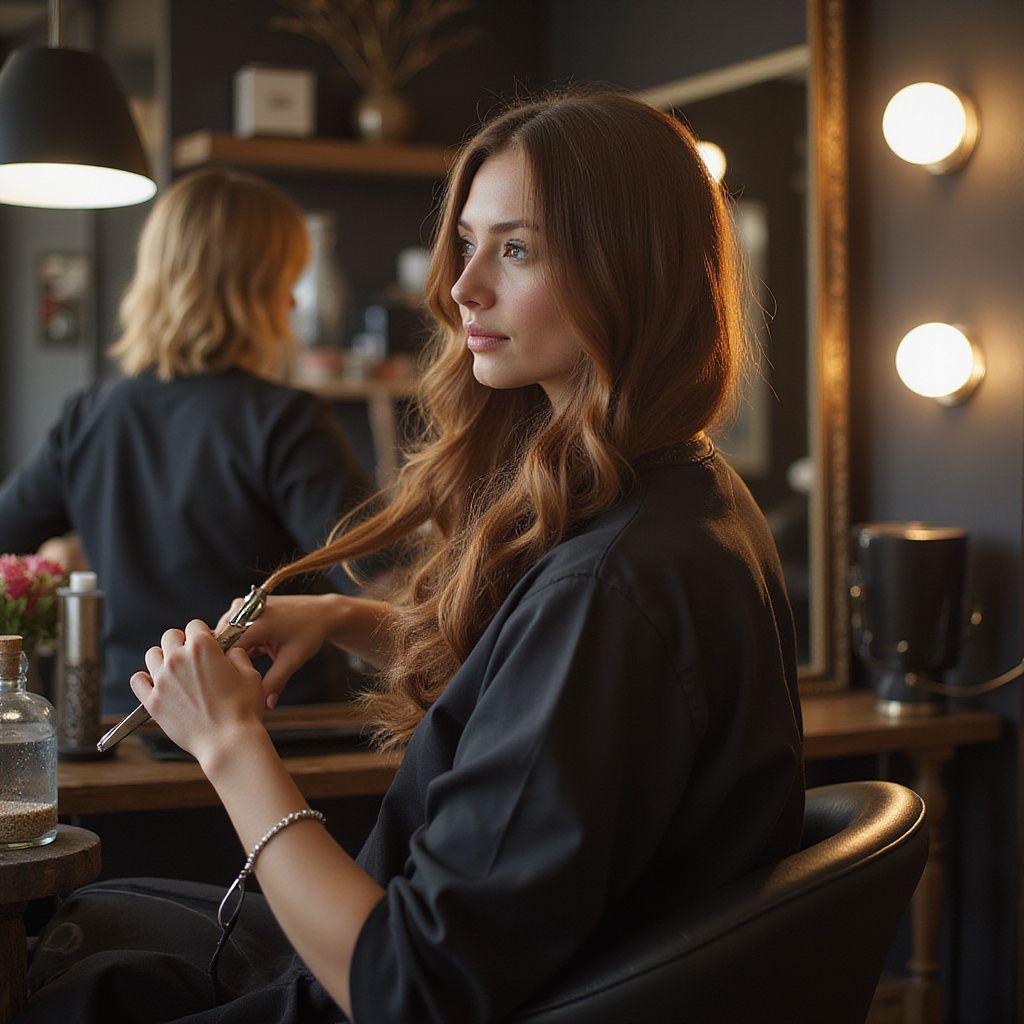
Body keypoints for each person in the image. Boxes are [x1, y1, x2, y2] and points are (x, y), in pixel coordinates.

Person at [17, 89, 804, 1024]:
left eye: (515, 249)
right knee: (87, 938)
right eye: (467, 243)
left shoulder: (617, 581)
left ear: (628, 268)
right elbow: (544, 694)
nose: (461, 288)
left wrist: (229, 744)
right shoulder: (683, 502)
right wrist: (355, 619)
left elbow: (408, 988)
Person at [0, 168, 372, 712]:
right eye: (287, 281)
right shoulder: (284, 419)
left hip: (131, 725)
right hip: (273, 731)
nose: (292, 306)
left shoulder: (89, 415)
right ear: (254, 288)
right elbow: (381, 574)